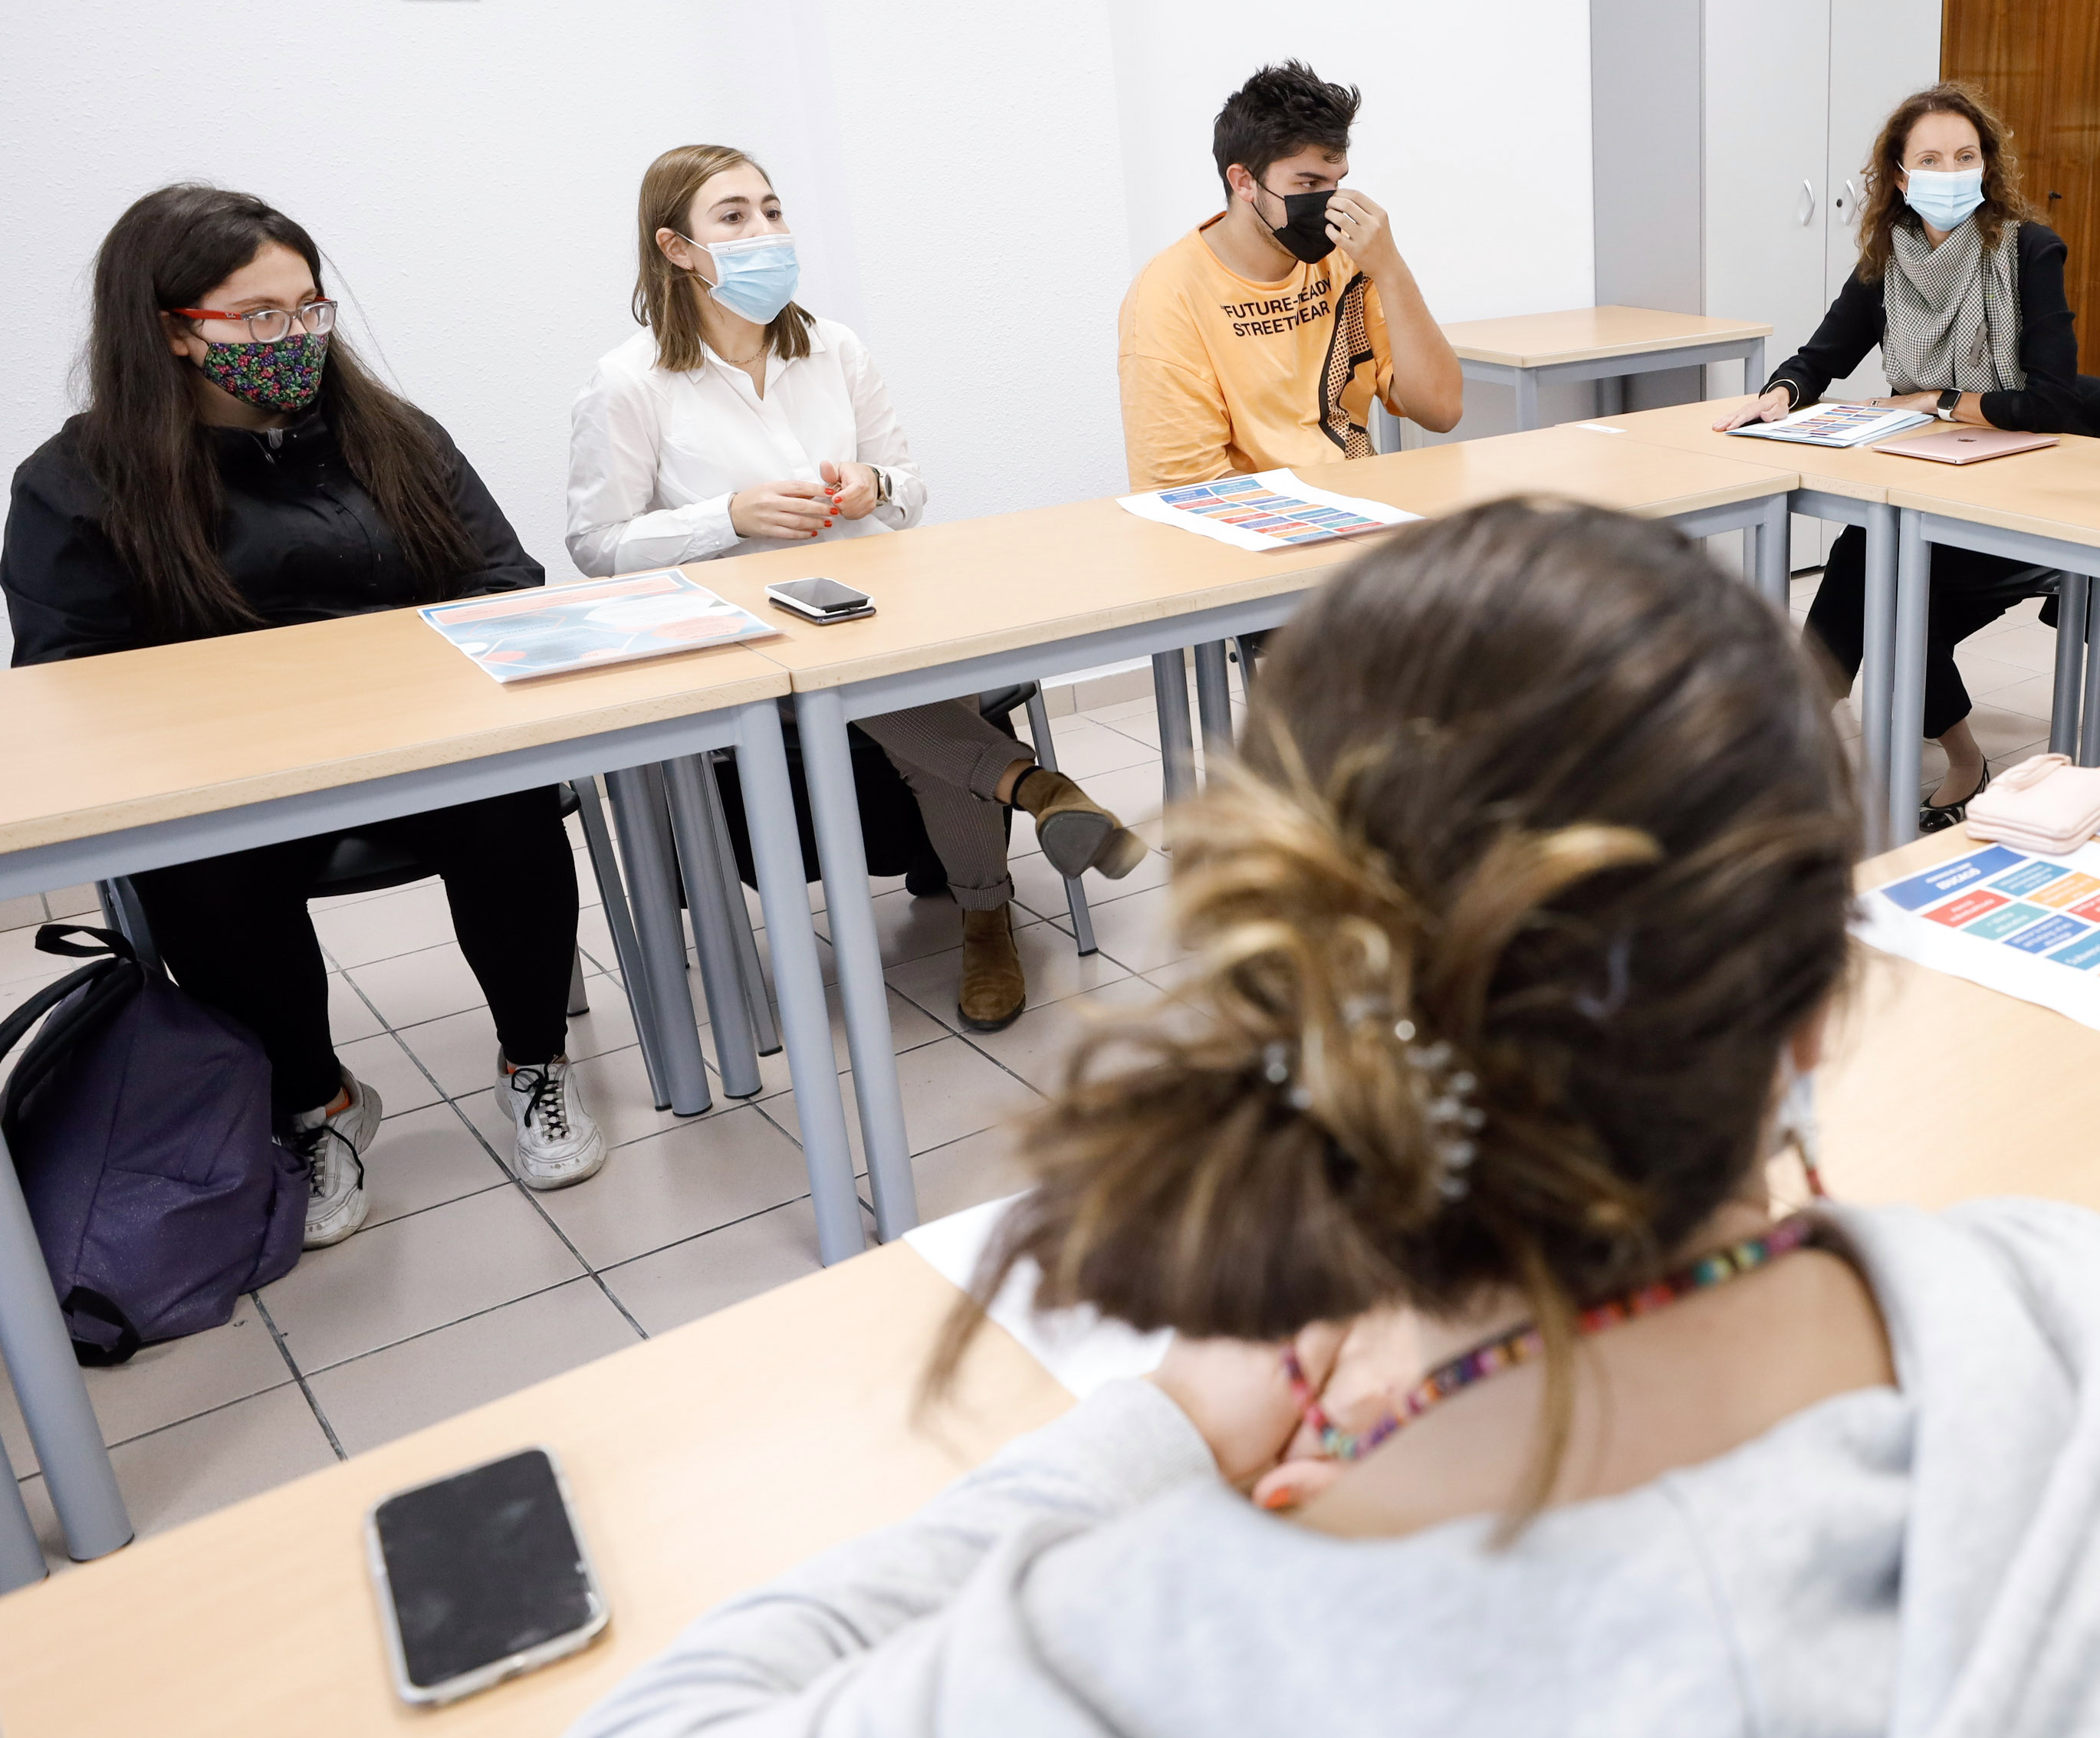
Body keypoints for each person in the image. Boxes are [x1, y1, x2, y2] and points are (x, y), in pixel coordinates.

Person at [518, 499, 2100, 1738]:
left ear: (1287, 972)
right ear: (1809, 1010)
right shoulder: (2082, 1313)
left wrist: (1164, 1434)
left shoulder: (1125, 1693)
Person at [4, 186, 609, 1236]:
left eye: (309, 308)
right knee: (198, 861)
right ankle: (317, 1105)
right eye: (260, 317)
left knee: (507, 806)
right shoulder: (79, 482)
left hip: (419, 750)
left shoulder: (392, 437)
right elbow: (67, 677)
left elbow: (505, 582)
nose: (295, 337)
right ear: (173, 335)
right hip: (233, 780)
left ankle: (534, 1060)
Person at [566, 143, 1145, 1033]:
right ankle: (1021, 816)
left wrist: (877, 487)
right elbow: (596, 545)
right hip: (745, 630)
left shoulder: (832, 348)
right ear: (677, 248)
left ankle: (993, 906)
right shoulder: (628, 381)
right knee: (899, 686)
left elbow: (910, 486)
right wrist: (730, 516)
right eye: (734, 217)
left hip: (873, 600)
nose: (765, 231)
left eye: (771, 209)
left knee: (909, 670)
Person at [1759, 84, 2100, 830]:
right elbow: (1822, 355)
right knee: (1875, 561)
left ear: (1987, 168)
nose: (1949, 170)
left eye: (1965, 156)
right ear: (1901, 177)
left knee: (1884, 576)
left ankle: (1831, 745)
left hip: (2029, 498)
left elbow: (2053, 401)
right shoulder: (1887, 261)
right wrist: (1780, 393)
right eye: (1930, 158)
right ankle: (1805, 736)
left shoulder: (2028, 251)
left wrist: (1934, 402)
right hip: (1933, 487)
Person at [1117, 61, 1464, 489]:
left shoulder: (1349, 260)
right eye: (1307, 184)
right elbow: (1188, 488)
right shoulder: (1169, 295)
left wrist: (1390, 269)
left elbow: (1442, 411)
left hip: (1365, 509)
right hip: (1260, 532)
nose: (1328, 203)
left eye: (1335, 183)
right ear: (1244, 182)